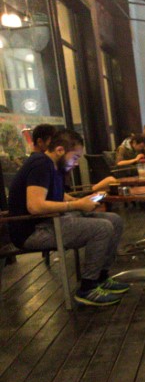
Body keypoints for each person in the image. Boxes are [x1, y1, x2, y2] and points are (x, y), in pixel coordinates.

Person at [8, 129, 130, 307]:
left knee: (114, 220)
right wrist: (77, 205)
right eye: (74, 158)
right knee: (102, 228)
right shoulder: (41, 164)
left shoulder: (52, 166)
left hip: (51, 221)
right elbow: (34, 206)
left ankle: (101, 278)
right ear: (59, 150)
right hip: (32, 232)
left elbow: (58, 195)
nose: (75, 163)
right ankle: (87, 288)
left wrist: (82, 200)